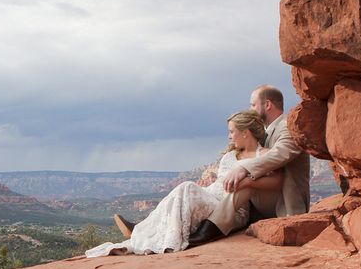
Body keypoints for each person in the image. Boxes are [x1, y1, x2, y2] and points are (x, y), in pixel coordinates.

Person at [85, 110, 283, 257]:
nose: (229, 136)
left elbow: (277, 181)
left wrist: (248, 182)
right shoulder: (231, 155)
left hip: (232, 207)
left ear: (245, 132)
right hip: (210, 196)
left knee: (187, 187)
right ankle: (143, 229)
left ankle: (143, 231)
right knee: (183, 190)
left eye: (231, 132)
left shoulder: (263, 155)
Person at [188, 85, 310, 246]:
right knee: (244, 184)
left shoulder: (287, 126)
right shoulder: (267, 132)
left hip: (286, 201)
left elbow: (280, 153)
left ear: (267, 105)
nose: (250, 109)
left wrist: (243, 168)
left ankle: (211, 229)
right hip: (266, 197)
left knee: (245, 185)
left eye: (253, 104)